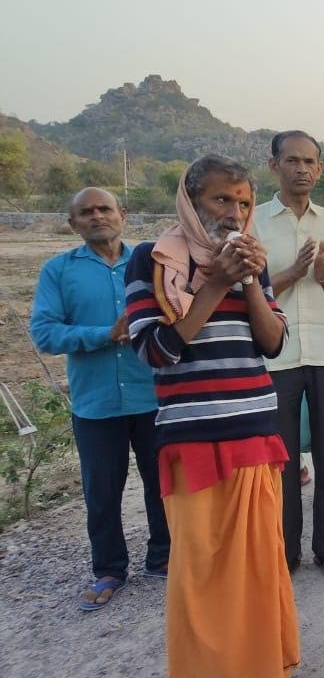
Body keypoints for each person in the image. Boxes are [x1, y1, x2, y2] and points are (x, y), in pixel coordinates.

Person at [124, 155, 298, 677]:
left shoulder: (253, 262)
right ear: (190, 200)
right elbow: (154, 351)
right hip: (191, 438)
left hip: (254, 430)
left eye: (243, 202)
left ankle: (262, 661)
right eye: (221, 199)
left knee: (257, 562)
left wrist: (248, 280)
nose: (234, 213)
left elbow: (273, 342)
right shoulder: (153, 260)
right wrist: (216, 282)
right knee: (200, 569)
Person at [31, 187, 169, 612]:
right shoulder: (58, 271)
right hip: (96, 402)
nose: (97, 216)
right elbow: (44, 332)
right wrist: (104, 334)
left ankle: (164, 557)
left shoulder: (150, 262)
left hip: (152, 395)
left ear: (122, 213)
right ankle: (109, 569)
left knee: (162, 484)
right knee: (102, 492)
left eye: (104, 208)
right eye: (86, 212)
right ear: (72, 223)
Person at [253, 130, 324, 579]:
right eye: (292, 160)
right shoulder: (254, 222)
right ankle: (286, 550)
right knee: (283, 460)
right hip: (276, 354)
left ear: (319, 168)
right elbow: (247, 293)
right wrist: (294, 272)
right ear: (273, 165)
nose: (302, 169)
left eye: (310, 162)